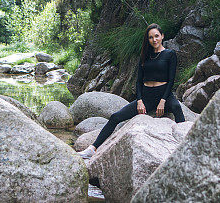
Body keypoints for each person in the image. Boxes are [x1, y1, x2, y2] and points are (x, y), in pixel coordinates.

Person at [77, 23, 185, 158]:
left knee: (176, 106)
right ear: (148, 40)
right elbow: (139, 81)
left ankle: (187, 146)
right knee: (115, 117)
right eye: (151, 37)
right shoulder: (145, 56)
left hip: (163, 94)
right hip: (146, 96)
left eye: (157, 36)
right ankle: (92, 149)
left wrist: (163, 101)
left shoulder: (170, 54)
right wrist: (139, 100)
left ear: (162, 36)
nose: (154, 40)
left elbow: (171, 80)